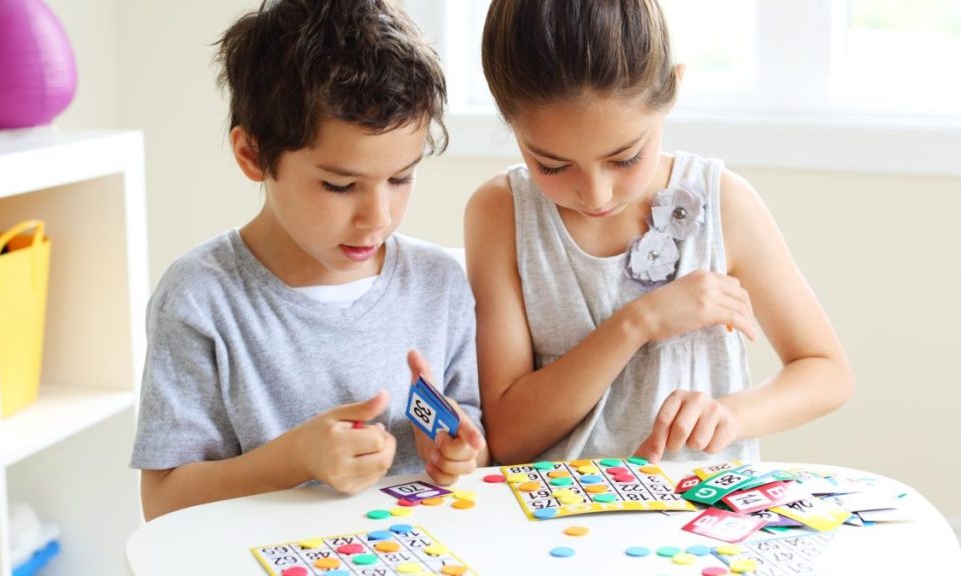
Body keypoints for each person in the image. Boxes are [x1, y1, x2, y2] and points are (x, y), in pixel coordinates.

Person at [131, 0, 487, 521]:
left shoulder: (439, 283)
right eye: (340, 185)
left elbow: (476, 452)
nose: (377, 217)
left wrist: (458, 453)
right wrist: (295, 459)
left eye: (401, 178)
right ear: (253, 156)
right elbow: (163, 502)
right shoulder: (199, 297)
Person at [466, 0, 853, 466]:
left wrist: (729, 415)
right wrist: (638, 323)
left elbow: (826, 372)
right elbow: (509, 438)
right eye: (552, 165)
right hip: (556, 521)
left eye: (624, 158)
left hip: (696, 520)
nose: (594, 194)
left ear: (673, 88)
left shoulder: (723, 202)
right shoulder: (501, 213)